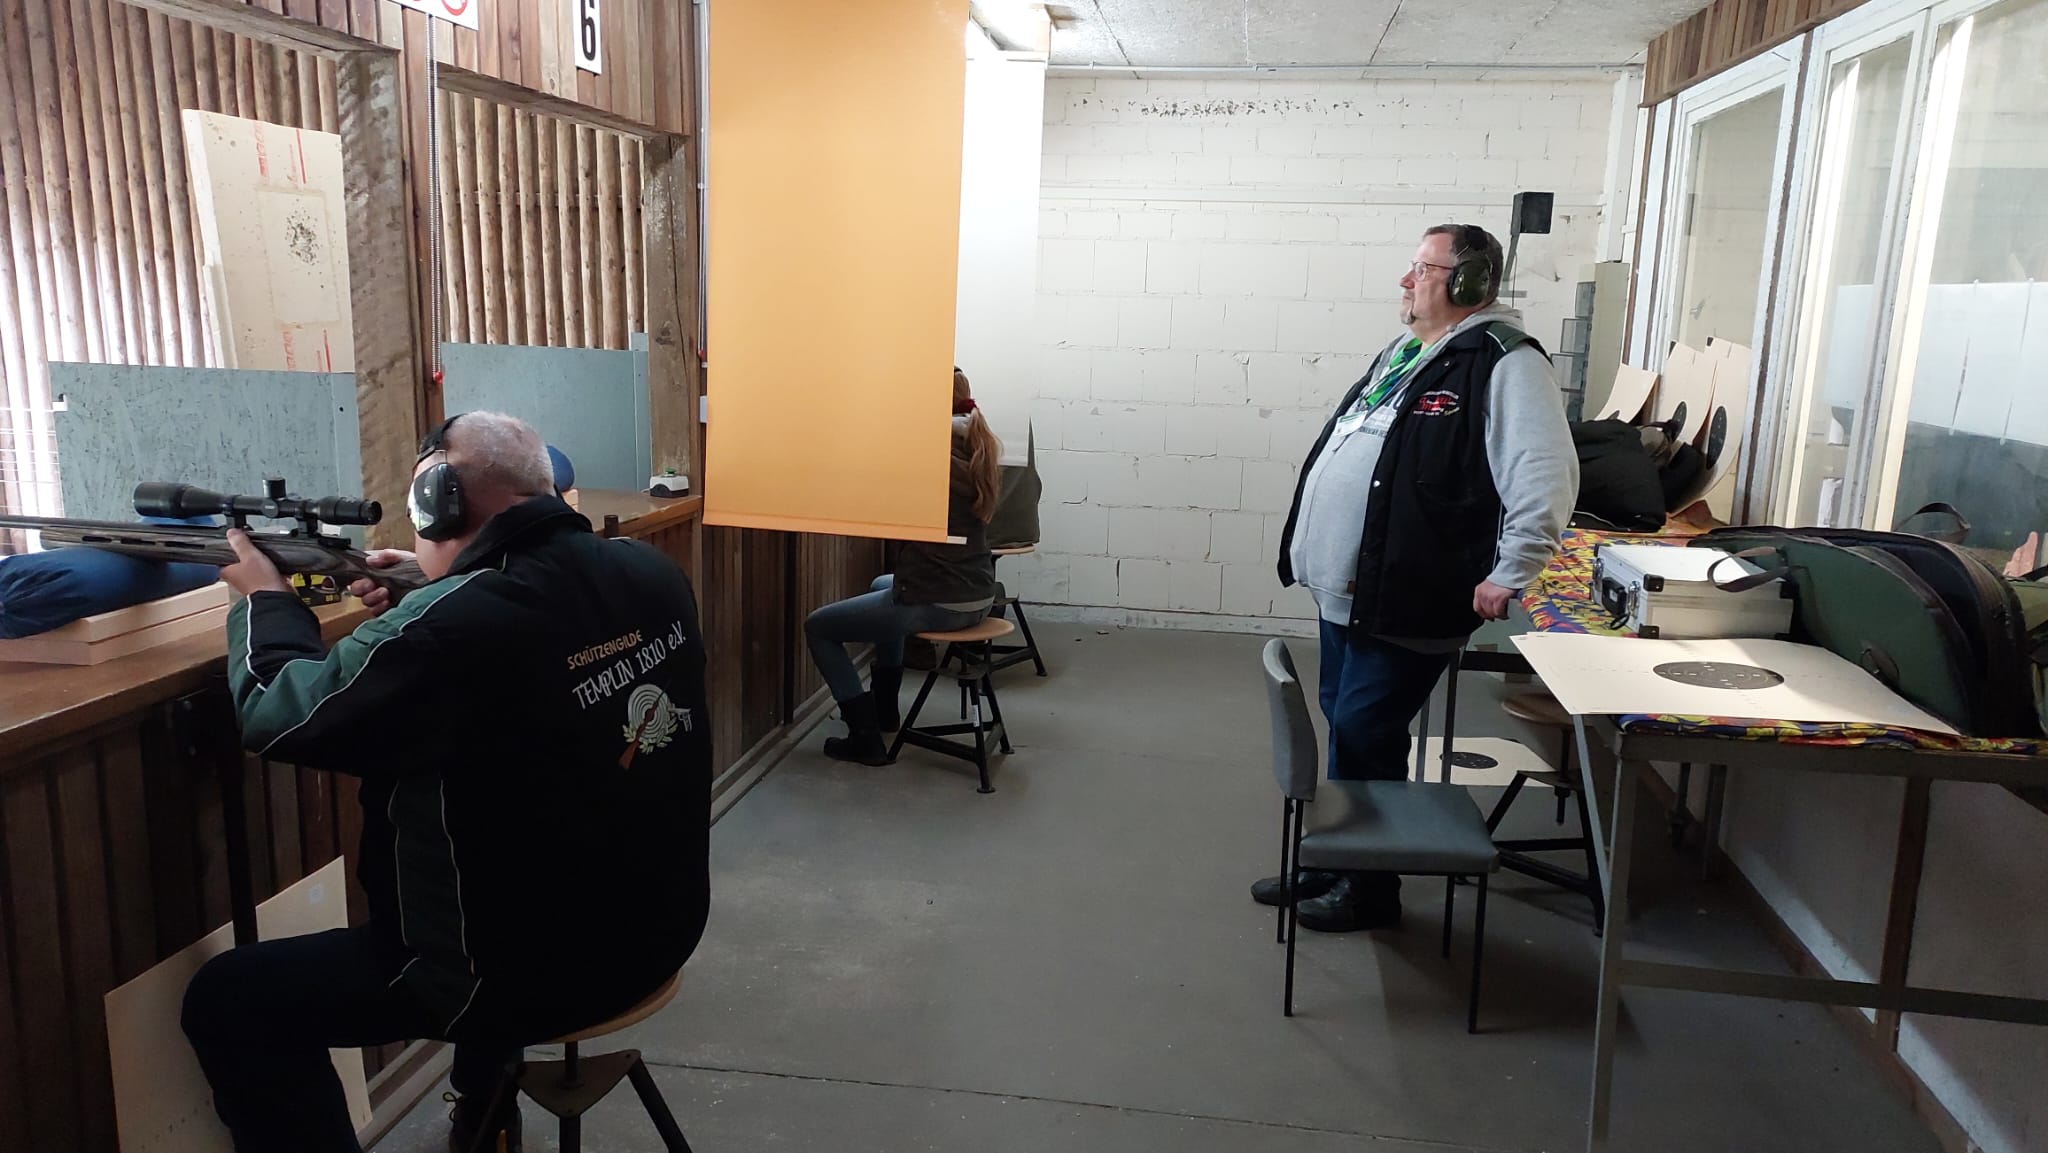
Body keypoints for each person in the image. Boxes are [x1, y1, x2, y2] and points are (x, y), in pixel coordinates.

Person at [181, 411, 713, 1153]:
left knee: (230, 999)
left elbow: (279, 711)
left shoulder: (449, 627)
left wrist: (265, 601)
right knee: (514, 863)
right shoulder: (648, 571)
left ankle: (483, 1102)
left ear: (438, 500)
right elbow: (526, 647)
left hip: (517, 976)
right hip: (656, 933)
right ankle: (484, 1114)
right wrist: (431, 586)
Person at [1255, 224, 1578, 932]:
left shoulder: (1505, 362)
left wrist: (1514, 568)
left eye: (1422, 269)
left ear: (1468, 283)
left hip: (1412, 591)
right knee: (1348, 725)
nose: (1406, 281)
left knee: (1365, 728)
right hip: (1351, 593)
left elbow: (1543, 473)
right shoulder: (1404, 353)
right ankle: (1339, 855)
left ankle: (1371, 887)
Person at [806, 367, 1002, 765]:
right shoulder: (975, 446)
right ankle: (885, 710)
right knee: (883, 583)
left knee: (818, 628)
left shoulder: (928, 457)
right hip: (979, 594)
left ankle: (864, 738)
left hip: (937, 600)